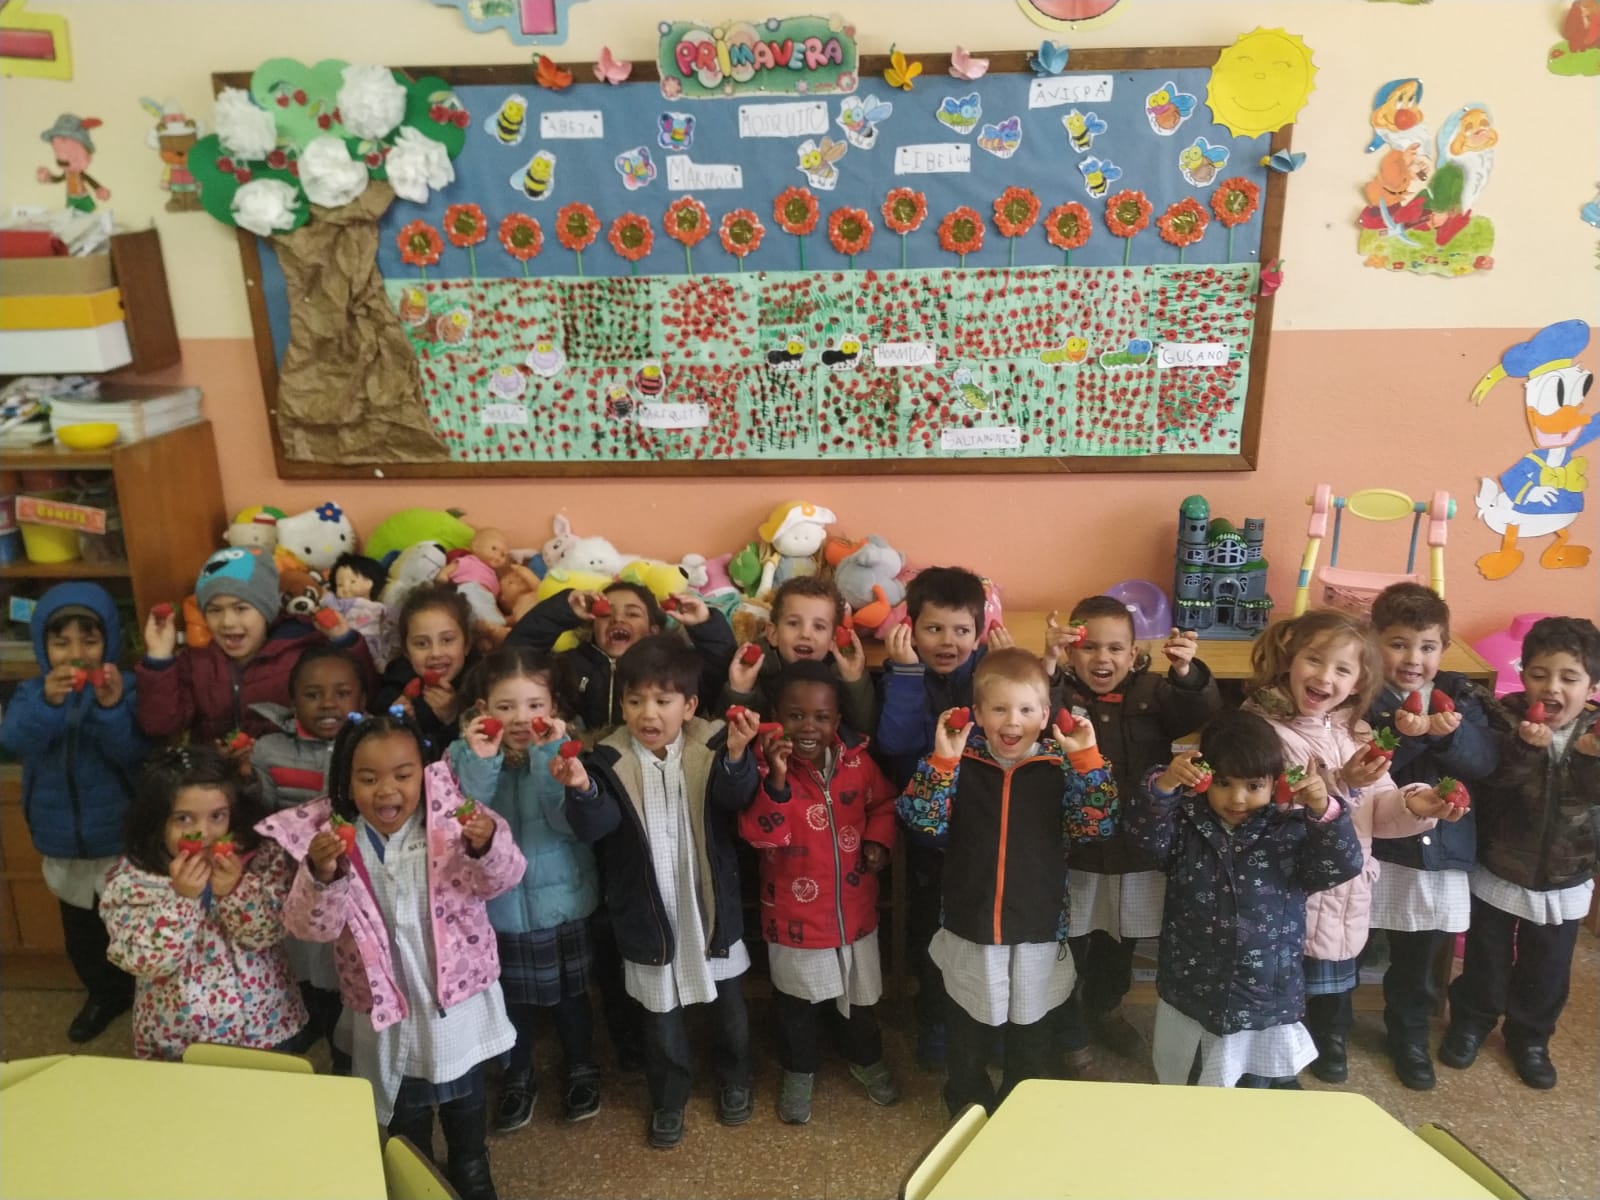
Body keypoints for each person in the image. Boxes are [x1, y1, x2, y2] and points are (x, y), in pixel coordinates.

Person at [265, 711, 524, 1200]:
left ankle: (471, 1163)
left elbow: (505, 877)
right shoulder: (335, 842)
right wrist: (323, 874)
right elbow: (310, 928)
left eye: (403, 775)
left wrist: (487, 845)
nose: (387, 791)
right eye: (368, 778)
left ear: (424, 774)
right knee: (405, 1103)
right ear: (346, 781)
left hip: (454, 996)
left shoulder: (453, 824)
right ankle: (415, 1170)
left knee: (465, 1092)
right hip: (385, 1004)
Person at [554, 636, 761, 1150]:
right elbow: (597, 826)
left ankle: (736, 1078)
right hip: (647, 912)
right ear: (622, 705)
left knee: (730, 1010)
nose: (648, 713)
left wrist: (738, 755)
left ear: (689, 707)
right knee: (660, 1018)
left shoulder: (711, 745)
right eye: (635, 700)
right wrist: (581, 788)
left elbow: (736, 798)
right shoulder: (607, 758)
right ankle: (669, 1099)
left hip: (708, 907)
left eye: (663, 700)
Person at [897, 648, 1117, 1116]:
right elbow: (922, 823)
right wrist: (942, 762)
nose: (1012, 721)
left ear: (1046, 714)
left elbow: (1096, 828)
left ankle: (1021, 1103)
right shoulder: (959, 762)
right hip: (970, 924)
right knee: (966, 1023)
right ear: (977, 714)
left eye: (1025, 709)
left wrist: (1087, 760)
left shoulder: (1062, 765)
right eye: (999, 709)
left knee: (1031, 1027)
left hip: (1038, 926)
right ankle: (966, 1098)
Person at [1243, 609, 1459, 1084]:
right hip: (1285, 892)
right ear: (1289, 659)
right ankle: (1267, 1072)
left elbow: (1378, 809)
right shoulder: (1261, 729)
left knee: (1323, 988)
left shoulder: (1354, 731)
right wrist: (1342, 782)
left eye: (1342, 669)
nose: (1325, 677)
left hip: (1343, 890)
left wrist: (1416, 803)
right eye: (1314, 660)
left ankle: (1317, 1045)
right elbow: (1274, 812)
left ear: (1359, 682)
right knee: (1273, 993)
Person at [1127, 711, 1364, 1088]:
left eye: (1254, 786)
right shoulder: (1185, 824)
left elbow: (1341, 864)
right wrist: (1165, 786)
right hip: (1191, 987)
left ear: (1276, 783)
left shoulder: (1291, 831)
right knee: (1188, 1079)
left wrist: (1324, 810)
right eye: (1223, 783)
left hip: (1266, 994)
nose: (1237, 798)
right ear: (1204, 778)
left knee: (1255, 1086)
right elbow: (1144, 840)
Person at [1048, 595, 1221, 1070]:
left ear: (1134, 653)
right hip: (1074, 850)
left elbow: (1197, 712)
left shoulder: (1153, 691)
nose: (1102, 658)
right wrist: (1047, 665)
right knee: (1068, 943)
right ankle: (1065, 1027)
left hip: (1132, 848)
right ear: (1071, 650)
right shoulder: (1058, 690)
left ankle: (1105, 1006)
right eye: (1089, 647)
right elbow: (1036, 712)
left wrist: (1186, 673)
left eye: (1115, 648)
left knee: (1120, 939)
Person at [449, 646, 603, 1132]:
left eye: (534, 705)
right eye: (506, 706)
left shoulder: (565, 750)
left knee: (571, 998)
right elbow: (465, 820)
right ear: (483, 710)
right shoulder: (462, 755)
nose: (520, 718)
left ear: (553, 707)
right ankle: (517, 1074)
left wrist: (547, 757)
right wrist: (482, 761)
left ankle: (582, 1065)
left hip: (561, 900)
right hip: (496, 909)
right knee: (509, 1001)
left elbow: (564, 821)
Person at [1442, 617, 1600, 1090]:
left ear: (1592, 687)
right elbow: (1491, 784)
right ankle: (1471, 1022)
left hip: (1566, 875)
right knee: (1485, 957)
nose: (1552, 688)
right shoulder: (1504, 719)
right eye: (1539, 674)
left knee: (1548, 967)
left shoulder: (1595, 733)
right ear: (1522, 674)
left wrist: (1589, 759)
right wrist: (1524, 751)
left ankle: (1530, 1038)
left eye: (1569, 678)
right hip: (1500, 864)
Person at [738, 662, 899, 1125]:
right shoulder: (762, 768)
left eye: (822, 717)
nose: (809, 727)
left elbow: (884, 803)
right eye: (796, 716)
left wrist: (877, 841)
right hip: (794, 918)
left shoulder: (857, 762)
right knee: (796, 1007)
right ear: (776, 717)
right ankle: (799, 1070)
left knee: (861, 1002)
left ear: (837, 720)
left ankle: (867, 1059)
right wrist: (777, 780)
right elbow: (758, 834)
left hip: (854, 912)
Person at [1364, 583, 1498, 1090]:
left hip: (1435, 855)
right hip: (1375, 848)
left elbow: (1484, 763)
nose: (1413, 659)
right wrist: (1404, 733)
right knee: (1343, 943)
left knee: (1420, 960)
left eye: (1427, 646)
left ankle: (1410, 1035)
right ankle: (1327, 1027)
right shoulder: (1360, 694)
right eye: (1398, 644)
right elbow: (1360, 767)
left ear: (1444, 647)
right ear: (1375, 641)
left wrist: (1447, 735)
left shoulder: (1462, 696)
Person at [0, 583, 145, 1042]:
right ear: (43, 647)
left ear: (110, 642)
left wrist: (110, 708)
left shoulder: (127, 689)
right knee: (82, 932)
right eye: (61, 642)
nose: (76, 654)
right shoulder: (30, 694)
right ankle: (102, 993)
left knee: (133, 923)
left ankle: (146, 993)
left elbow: (134, 753)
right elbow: (13, 741)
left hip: (119, 837)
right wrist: (49, 703)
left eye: (90, 640)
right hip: (59, 836)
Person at [100, 747, 307, 1061]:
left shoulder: (262, 859)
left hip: (264, 1028)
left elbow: (268, 933)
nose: (203, 833)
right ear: (157, 821)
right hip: (178, 1038)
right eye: (184, 818)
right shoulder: (131, 879)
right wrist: (181, 900)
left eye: (217, 816)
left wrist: (234, 891)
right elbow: (144, 961)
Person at [875, 565, 998, 1070]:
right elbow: (895, 743)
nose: (948, 641)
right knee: (931, 937)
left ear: (980, 632)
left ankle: (986, 1022)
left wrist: (1002, 668)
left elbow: (1010, 732)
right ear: (910, 630)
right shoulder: (901, 674)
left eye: (961, 630)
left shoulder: (986, 674)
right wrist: (906, 674)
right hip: (929, 837)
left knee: (987, 935)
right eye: (934, 628)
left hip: (987, 832)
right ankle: (936, 1020)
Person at [251, 642, 367, 1071]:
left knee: (344, 966)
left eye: (342, 693)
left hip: (352, 881)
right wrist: (245, 782)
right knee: (305, 960)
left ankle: (345, 1048)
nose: (328, 704)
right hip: (294, 879)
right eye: (313, 695)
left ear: (361, 699)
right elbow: (261, 811)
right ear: (293, 700)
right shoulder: (269, 750)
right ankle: (317, 1021)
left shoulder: (370, 744)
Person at [137, 546, 372, 745]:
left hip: (287, 774)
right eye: (215, 610)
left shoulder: (304, 651)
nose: (227, 622)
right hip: (216, 777)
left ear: (267, 610)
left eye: (241, 608)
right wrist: (159, 658)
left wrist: (344, 640)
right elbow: (160, 725)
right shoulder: (195, 662)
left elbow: (364, 700)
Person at [508, 580, 735, 738]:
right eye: (605, 613)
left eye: (632, 613)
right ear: (592, 626)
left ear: (653, 630)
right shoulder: (570, 665)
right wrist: (563, 610)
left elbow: (721, 670)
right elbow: (514, 659)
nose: (617, 619)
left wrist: (704, 623)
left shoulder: (672, 667)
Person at [721, 576, 875, 735]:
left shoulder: (839, 671)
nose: (805, 634)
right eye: (793, 623)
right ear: (773, 634)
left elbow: (864, 732)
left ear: (833, 639)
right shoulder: (756, 670)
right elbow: (726, 736)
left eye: (819, 627)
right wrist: (740, 691)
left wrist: (854, 679)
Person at [375, 584, 478, 762]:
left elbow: (477, 759)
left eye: (447, 640)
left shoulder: (479, 687)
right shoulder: (395, 685)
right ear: (406, 651)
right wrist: (394, 722)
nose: (435, 653)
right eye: (422, 644)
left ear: (466, 645)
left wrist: (453, 718)